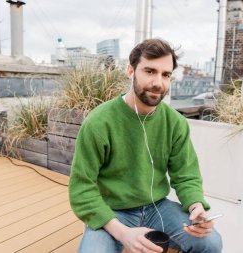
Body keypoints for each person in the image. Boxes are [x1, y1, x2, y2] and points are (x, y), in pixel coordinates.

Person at [69, 38, 222, 253]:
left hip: (157, 207)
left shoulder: (175, 122)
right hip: (113, 211)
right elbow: (81, 189)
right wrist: (122, 233)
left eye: (166, 74)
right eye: (150, 71)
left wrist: (196, 206)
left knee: (211, 243)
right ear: (131, 71)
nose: (158, 82)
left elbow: (186, 174)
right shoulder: (98, 122)